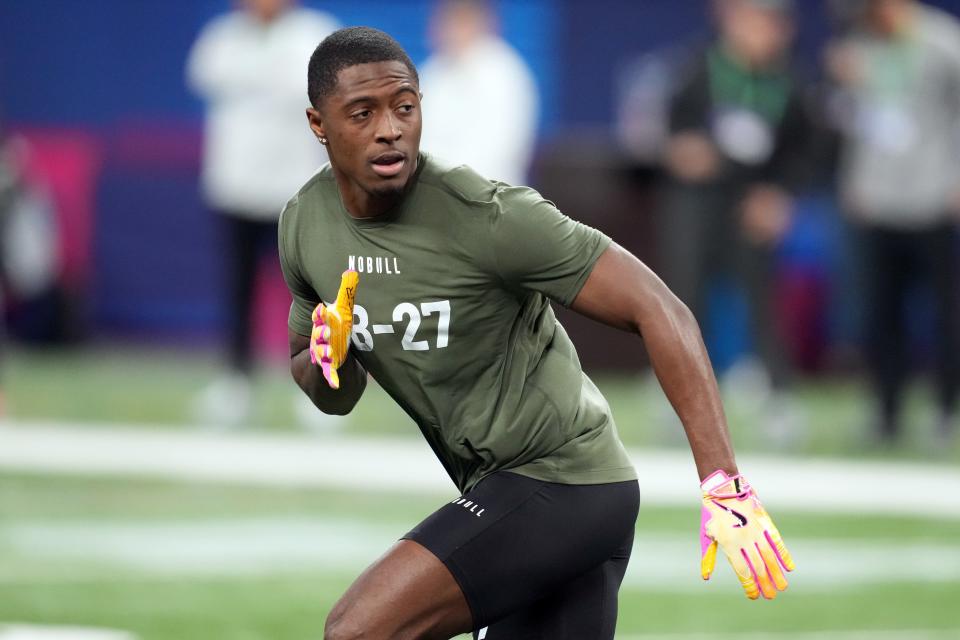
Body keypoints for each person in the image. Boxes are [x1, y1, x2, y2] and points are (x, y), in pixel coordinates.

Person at [280, 27, 795, 639]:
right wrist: (327, 362)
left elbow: (662, 309)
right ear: (318, 124)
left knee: (357, 631)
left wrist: (722, 482)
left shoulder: (488, 215)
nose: (390, 128)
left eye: (405, 107)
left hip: (565, 483)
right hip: (509, 489)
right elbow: (331, 393)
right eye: (362, 114)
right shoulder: (305, 226)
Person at [659, 0, 816, 442]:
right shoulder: (695, 69)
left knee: (762, 302)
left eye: (772, 24)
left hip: (753, 203)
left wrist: (780, 196)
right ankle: (679, 403)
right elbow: (670, 132)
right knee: (684, 302)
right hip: (697, 203)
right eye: (754, 21)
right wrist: (684, 152)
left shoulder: (791, 81)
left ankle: (779, 400)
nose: (763, 33)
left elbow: (804, 151)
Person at [186, 0, 338, 426]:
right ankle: (236, 384)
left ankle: (323, 387)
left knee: (313, 294)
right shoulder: (223, 37)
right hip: (236, 187)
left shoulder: (316, 35)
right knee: (238, 292)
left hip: (295, 191)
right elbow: (204, 76)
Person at [826, 0, 960, 446]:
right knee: (880, 315)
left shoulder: (942, 42)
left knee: (944, 314)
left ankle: (945, 409)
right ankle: (886, 413)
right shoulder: (859, 47)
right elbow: (852, 123)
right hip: (876, 202)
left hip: (932, 198)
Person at [418, 0, 539, 186]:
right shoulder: (433, 72)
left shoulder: (504, 73)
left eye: (459, 22)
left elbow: (497, 149)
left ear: (481, 22)